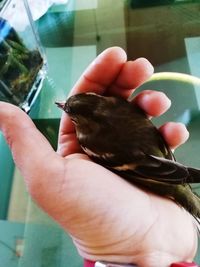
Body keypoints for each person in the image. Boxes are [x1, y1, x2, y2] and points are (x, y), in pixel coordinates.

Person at [0, 47, 197, 267]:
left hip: (153, 173)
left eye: (71, 116)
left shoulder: (91, 142)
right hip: (162, 162)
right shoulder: (120, 105)